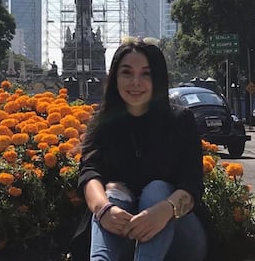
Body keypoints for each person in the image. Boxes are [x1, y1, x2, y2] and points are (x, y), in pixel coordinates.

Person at [72, 36, 209, 261]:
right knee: (113, 193)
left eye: (146, 73)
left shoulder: (180, 121)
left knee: (157, 189)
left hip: (179, 235)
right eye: (127, 72)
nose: (135, 82)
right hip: (120, 233)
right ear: (115, 77)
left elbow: (192, 184)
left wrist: (164, 210)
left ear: (158, 78)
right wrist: (104, 210)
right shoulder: (103, 121)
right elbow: (89, 172)